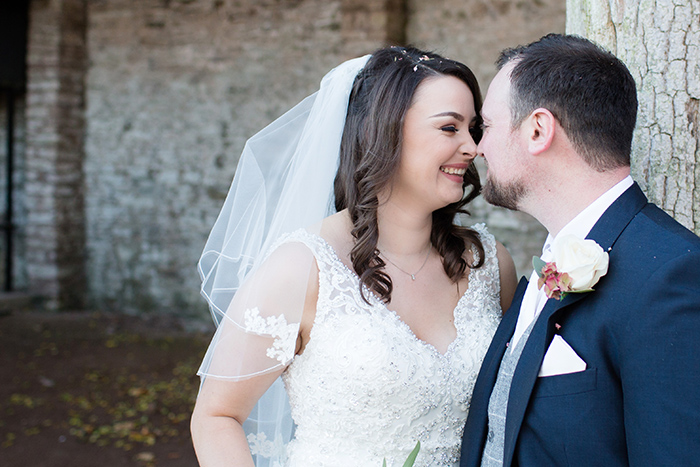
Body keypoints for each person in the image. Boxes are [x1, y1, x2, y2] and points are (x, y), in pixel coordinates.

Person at [190, 45, 518, 467]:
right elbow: (217, 416)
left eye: (472, 129)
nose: (472, 147)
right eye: (449, 128)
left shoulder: (488, 263)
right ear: (384, 132)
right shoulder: (302, 266)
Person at [459, 33, 700, 467]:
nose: (478, 147)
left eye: (487, 126)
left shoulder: (670, 274)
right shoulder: (546, 262)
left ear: (538, 130)